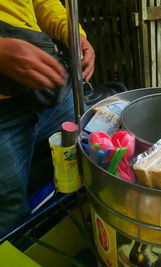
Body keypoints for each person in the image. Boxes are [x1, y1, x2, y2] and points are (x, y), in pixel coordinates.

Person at [0, 0, 95, 236]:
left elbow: (43, 2)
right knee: (9, 210)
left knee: (94, 147)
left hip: (49, 86)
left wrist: (74, 34)